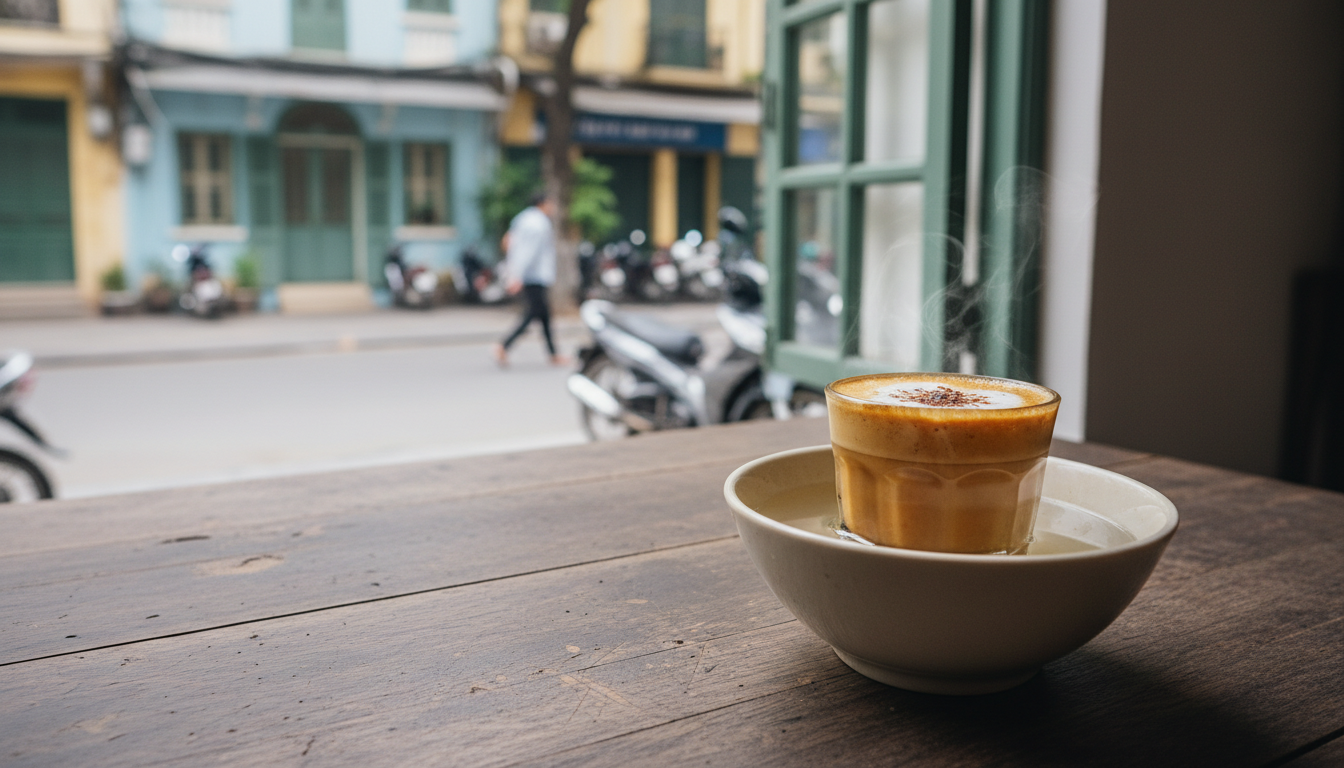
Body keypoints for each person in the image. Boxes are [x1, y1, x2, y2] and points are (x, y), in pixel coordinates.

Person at [494, 192, 568, 367]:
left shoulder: (522, 219)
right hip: (534, 275)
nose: (553, 208)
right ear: (543, 203)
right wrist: (516, 276)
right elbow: (528, 252)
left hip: (530, 274)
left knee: (544, 315)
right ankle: (503, 346)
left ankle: (553, 354)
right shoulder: (538, 223)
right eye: (550, 203)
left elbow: (509, 242)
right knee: (534, 313)